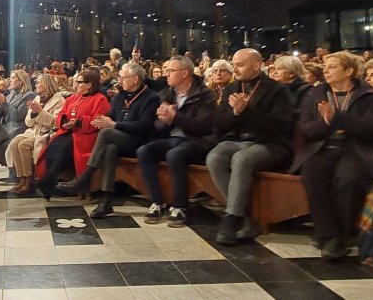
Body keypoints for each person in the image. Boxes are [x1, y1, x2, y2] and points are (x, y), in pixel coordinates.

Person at [294, 51, 373, 261]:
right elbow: (306, 128)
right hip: (324, 147)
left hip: (357, 149)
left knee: (348, 178)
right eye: (326, 67)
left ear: (349, 71)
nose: (325, 71)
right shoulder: (316, 93)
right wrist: (326, 123)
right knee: (311, 173)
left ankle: (342, 235)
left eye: (333, 67)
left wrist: (338, 118)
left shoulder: (369, 95)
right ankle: (328, 234)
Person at [207, 49, 294, 245]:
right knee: (215, 156)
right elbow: (219, 123)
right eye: (234, 64)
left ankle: (231, 219)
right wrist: (235, 114)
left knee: (242, 159)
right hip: (239, 141)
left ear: (256, 65)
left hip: (271, 143)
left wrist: (247, 111)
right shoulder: (231, 89)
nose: (234, 69)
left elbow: (281, 126)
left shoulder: (277, 90)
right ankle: (245, 217)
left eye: (240, 65)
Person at [71, 61, 160, 218]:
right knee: (110, 149)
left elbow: (145, 125)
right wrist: (102, 120)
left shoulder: (150, 97)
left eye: (123, 77)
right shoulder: (120, 96)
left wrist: (114, 124)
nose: (119, 81)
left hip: (140, 141)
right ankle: (106, 202)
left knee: (106, 133)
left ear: (135, 79)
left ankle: (85, 176)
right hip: (120, 140)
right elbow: (111, 116)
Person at [136, 56, 217, 227]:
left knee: (175, 155)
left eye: (171, 71)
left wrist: (175, 117)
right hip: (173, 138)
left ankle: (180, 206)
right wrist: (164, 121)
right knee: (144, 151)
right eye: (166, 71)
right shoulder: (167, 93)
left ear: (185, 73)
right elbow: (157, 126)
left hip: (197, 140)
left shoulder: (204, 94)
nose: (166, 74)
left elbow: (204, 126)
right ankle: (157, 202)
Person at [33, 69, 111, 199]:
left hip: (87, 136)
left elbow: (99, 121)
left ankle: (47, 182)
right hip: (68, 132)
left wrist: (79, 123)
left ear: (89, 85)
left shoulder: (100, 99)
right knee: (53, 146)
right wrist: (65, 122)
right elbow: (62, 114)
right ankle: (48, 183)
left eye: (79, 82)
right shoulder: (72, 98)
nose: (75, 85)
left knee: (64, 148)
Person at [7, 72, 68, 194]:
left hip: (46, 132)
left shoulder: (59, 100)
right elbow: (28, 122)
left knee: (23, 145)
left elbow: (55, 122)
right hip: (33, 131)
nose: (36, 84)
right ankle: (21, 179)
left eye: (39, 82)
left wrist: (40, 111)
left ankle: (29, 181)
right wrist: (34, 113)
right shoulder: (37, 98)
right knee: (14, 143)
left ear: (46, 84)